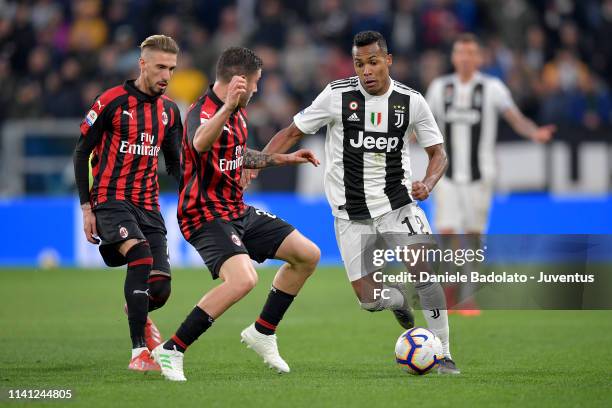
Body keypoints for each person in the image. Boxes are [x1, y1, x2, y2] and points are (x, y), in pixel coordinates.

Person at [245, 31, 459, 374]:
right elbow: (292, 132)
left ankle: (444, 353)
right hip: (350, 216)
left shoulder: (410, 101)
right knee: (369, 300)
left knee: (424, 271)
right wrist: (257, 163)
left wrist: (429, 182)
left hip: (397, 205)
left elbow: (438, 154)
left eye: (373, 62)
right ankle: (398, 299)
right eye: (360, 64)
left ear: (387, 61)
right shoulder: (336, 95)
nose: (366, 71)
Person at [152, 47, 321, 382]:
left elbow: (238, 153)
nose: (257, 89)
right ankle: (172, 349)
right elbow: (200, 144)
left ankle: (263, 332)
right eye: (255, 83)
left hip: (235, 210)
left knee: (307, 255)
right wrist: (228, 106)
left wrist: (286, 158)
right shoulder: (203, 112)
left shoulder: (240, 114)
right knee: (244, 279)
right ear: (239, 82)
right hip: (203, 213)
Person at [73, 35, 182, 371]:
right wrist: (86, 207)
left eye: (172, 69)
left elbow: (176, 164)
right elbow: (81, 153)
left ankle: (137, 308)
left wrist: (198, 191)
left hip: (148, 205)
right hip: (110, 198)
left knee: (160, 288)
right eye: (161, 67)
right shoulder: (111, 102)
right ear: (143, 64)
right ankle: (139, 354)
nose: (166, 75)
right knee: (140, 255)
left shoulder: (169, 112)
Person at [425, 33, 555, 314]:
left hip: (480, 177)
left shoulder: (492, 87)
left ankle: (467, 297)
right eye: (461, 53)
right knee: (447, 234)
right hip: (445, 175)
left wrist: (535, 133)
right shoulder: (439, 88)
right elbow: (421, 122)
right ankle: (450, 292)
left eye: (471, 53)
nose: (465, 58)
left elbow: (514, 117)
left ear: (479, 58)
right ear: (454, 57)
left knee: (472, 237)